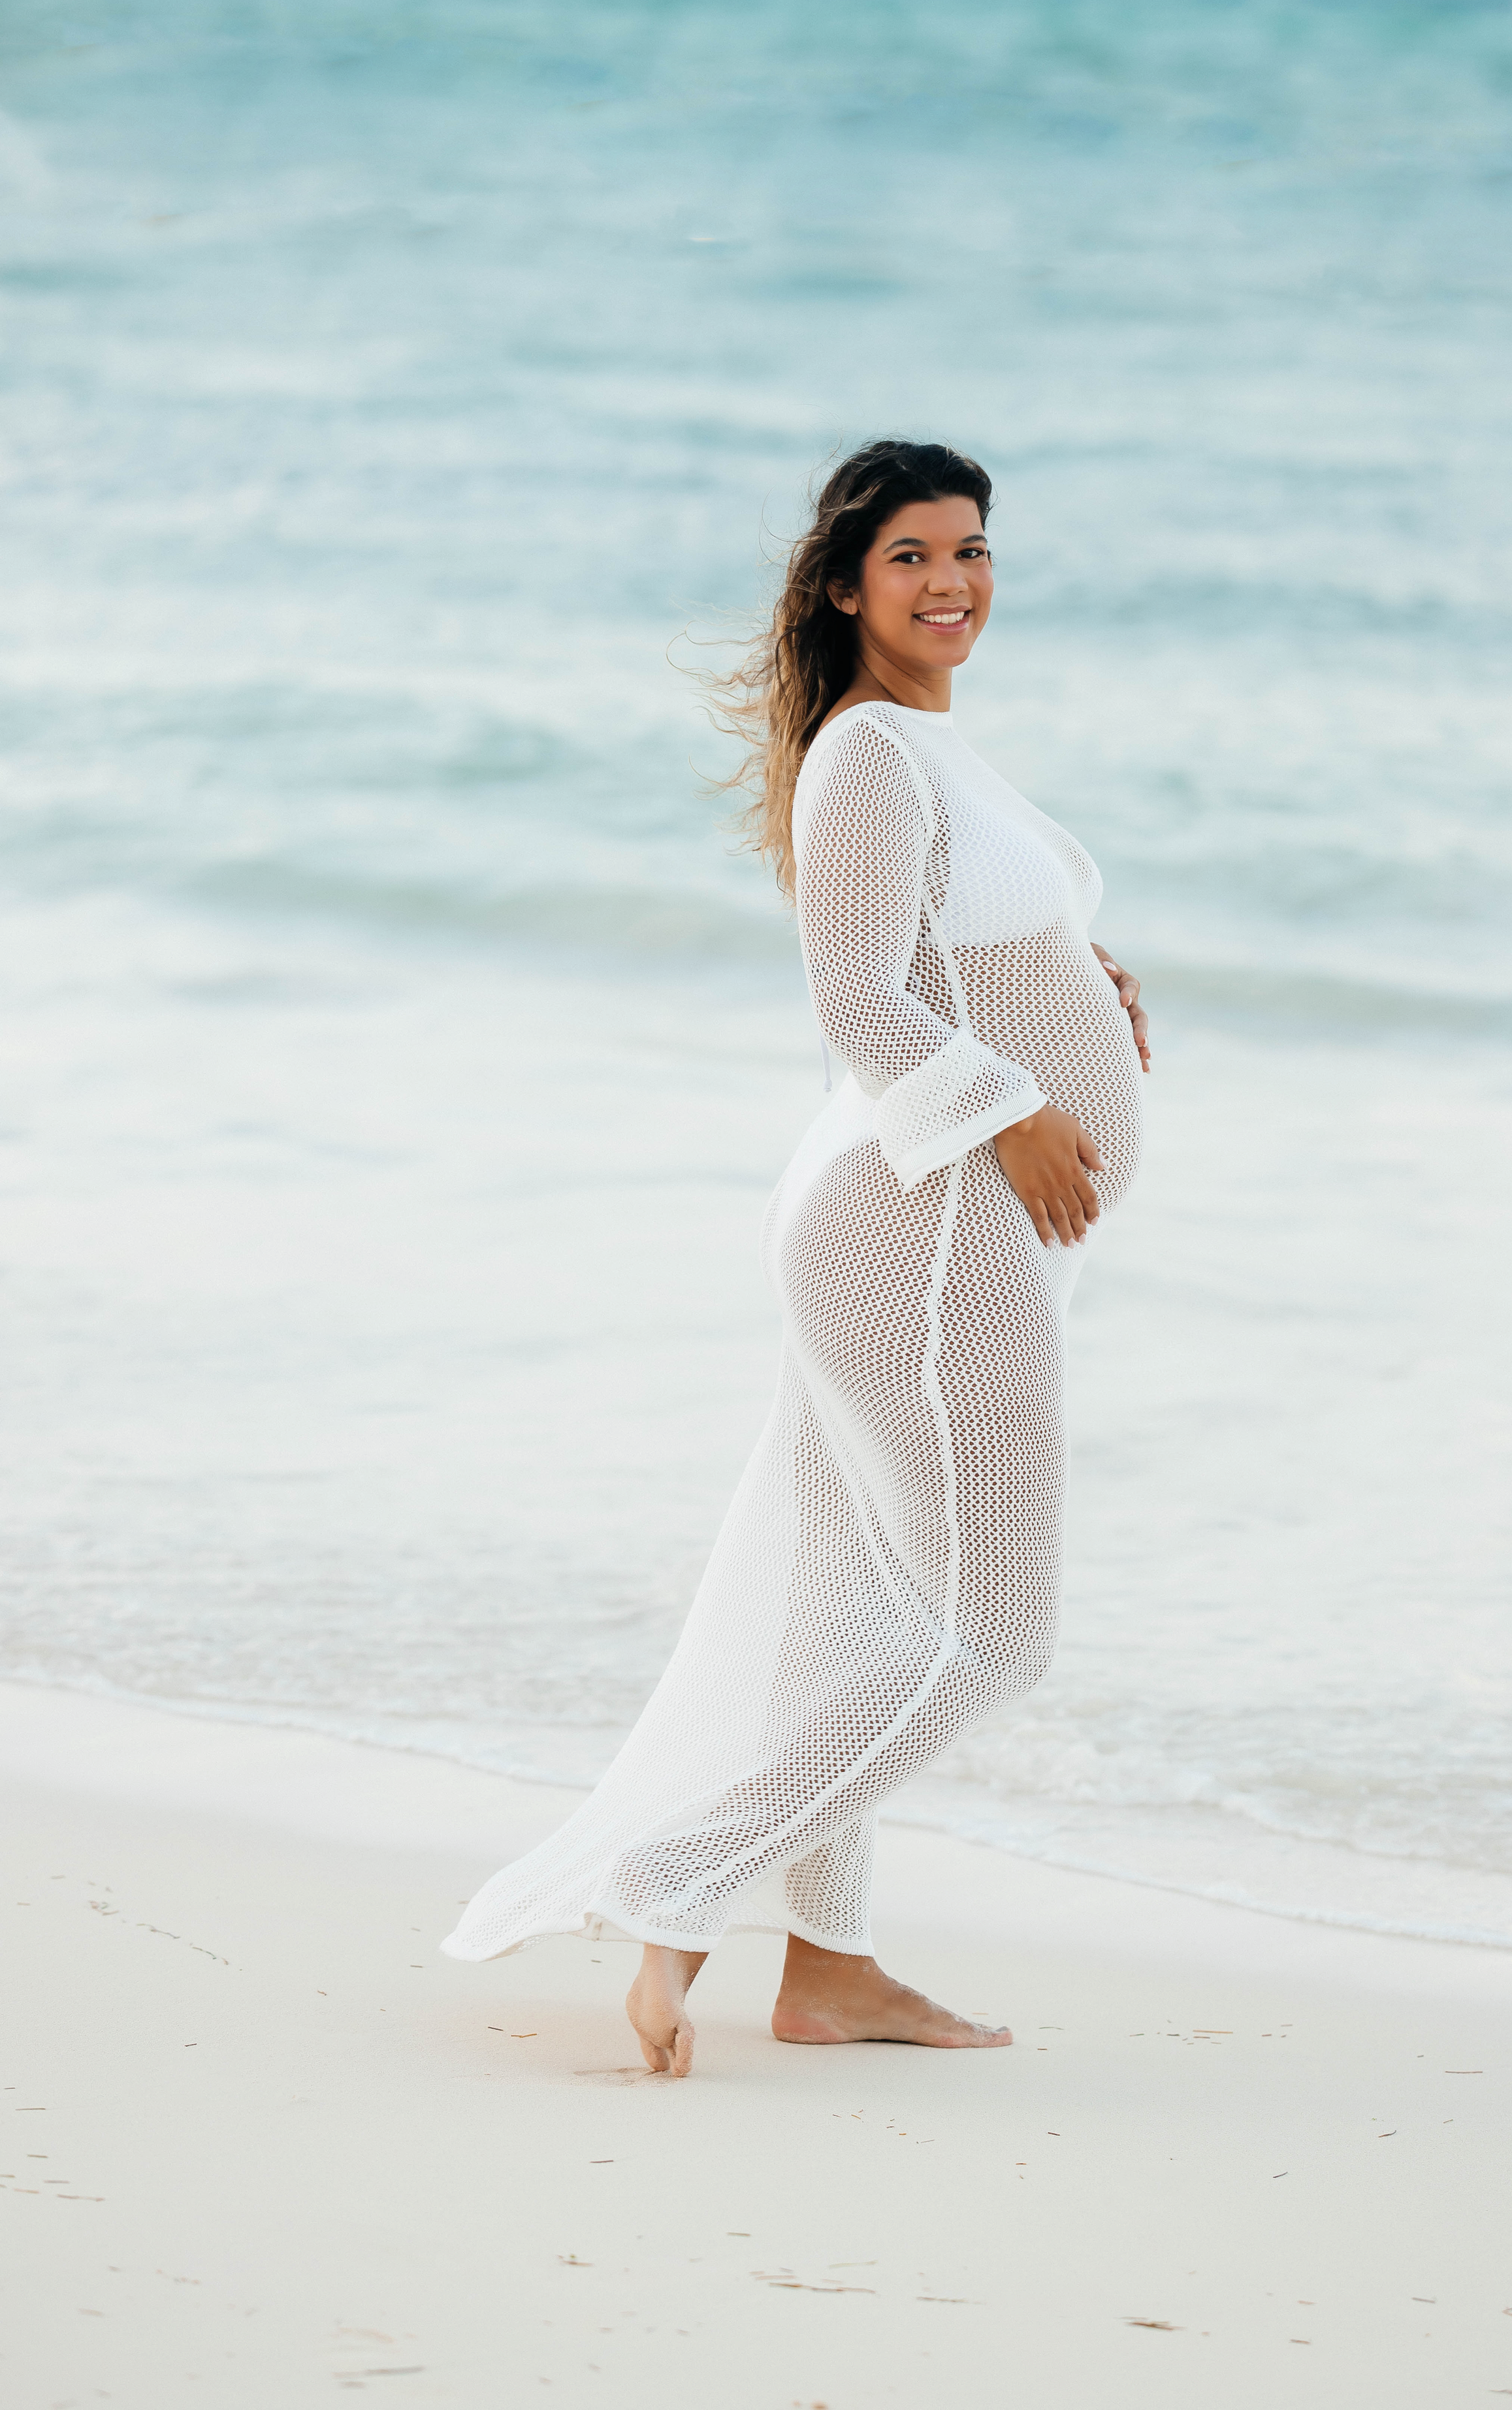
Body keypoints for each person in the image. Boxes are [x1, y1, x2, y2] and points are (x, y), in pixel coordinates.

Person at [442, 440, 1149, 2076]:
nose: (951, 581)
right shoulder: (866, 755)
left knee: (859, 1611)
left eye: (971, 550)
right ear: (842, 587)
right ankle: (683, 1875)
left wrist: (1076, 971)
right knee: (992, 1631)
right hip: (920, 1218)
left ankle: (829, 1972)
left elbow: (945, 949)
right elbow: (859, 998)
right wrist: (1015, 1108)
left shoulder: (921, 750)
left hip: (924, 1224)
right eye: (910, 556)